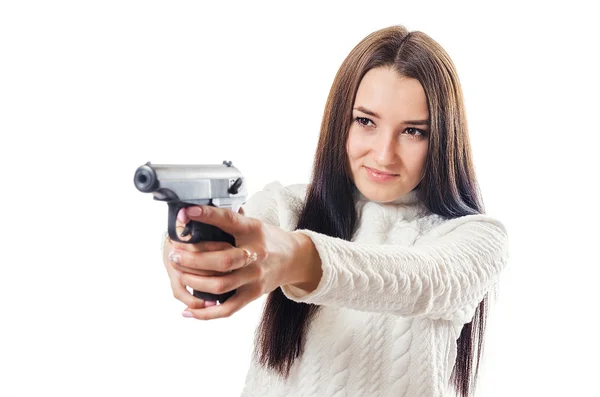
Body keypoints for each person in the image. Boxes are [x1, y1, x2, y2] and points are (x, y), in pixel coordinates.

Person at [161, 25, 509, 397]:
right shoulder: (289, 206)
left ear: (442, 137)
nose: (383, 153)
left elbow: (422, 280)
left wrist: (299, 258)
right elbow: (236, 236)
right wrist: (190, 247)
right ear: (340, 120)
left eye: (413, 131)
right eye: (365, 121)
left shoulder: (477, 237)